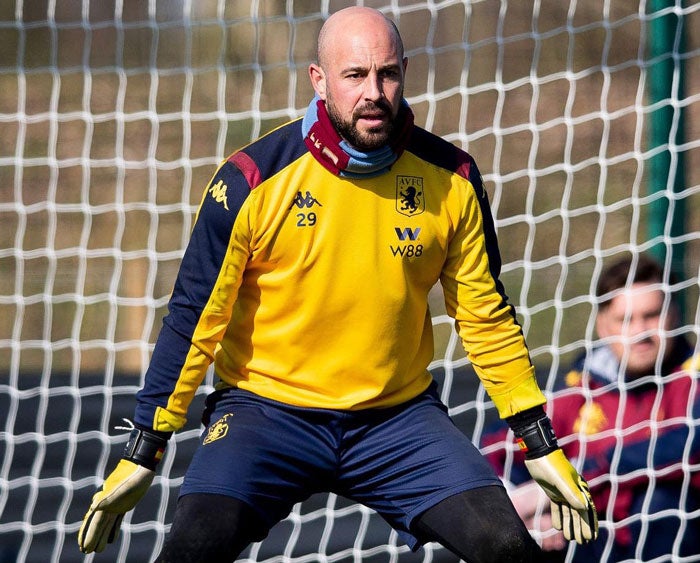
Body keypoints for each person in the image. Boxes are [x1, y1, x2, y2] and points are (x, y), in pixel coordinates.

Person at [77, 7, 597, 563]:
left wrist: (536, 439)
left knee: (506, 546)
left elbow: (485, 316)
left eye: (388, 73)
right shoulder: (252, 179)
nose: (373, 92)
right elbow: (194, 315)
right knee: (192, 548)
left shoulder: (453, 179)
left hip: (397, 420)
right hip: (265, 412)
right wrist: (144, 449)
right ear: (318, 80)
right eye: (354, 76)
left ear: (405, 72)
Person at [482, 253, 700, 561]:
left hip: (671, 540)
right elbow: (496, 447)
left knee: (660, 502)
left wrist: (586, 474)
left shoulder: (692, 378)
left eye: (652, 315)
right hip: (592, 544)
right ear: (602, 326)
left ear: (673, 316)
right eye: (625, 319)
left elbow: (688, 445)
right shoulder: (581, 387)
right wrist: (529, 518)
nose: (640, 333)